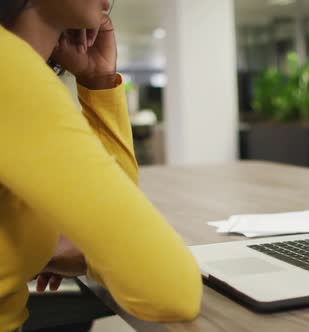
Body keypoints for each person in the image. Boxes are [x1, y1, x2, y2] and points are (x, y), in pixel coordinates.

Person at [0, 1, 202, 330]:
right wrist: (83, 254)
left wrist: (99, 82)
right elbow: (169, 290)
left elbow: (114, 221)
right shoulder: (7, 68)